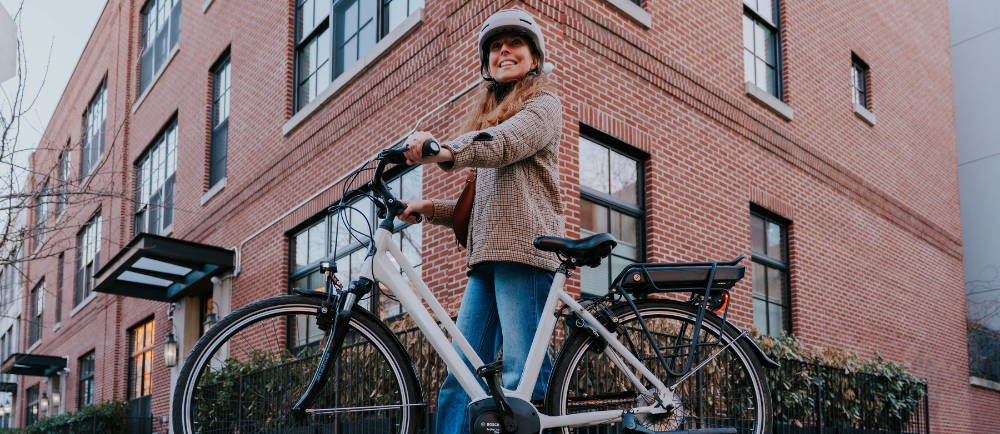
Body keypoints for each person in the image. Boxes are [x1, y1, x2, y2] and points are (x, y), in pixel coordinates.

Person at [398, 8, 564, 434]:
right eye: (495, 46)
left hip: (526, 253)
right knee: (461, 375)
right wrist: (428, 208)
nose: (503, 51)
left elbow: (505, 144)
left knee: (521, 380)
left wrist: (443, 150)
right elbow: (480, 208)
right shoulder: (490, 125)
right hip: (486, 260)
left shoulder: (543, 107)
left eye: (514, 44)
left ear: (534, 57)